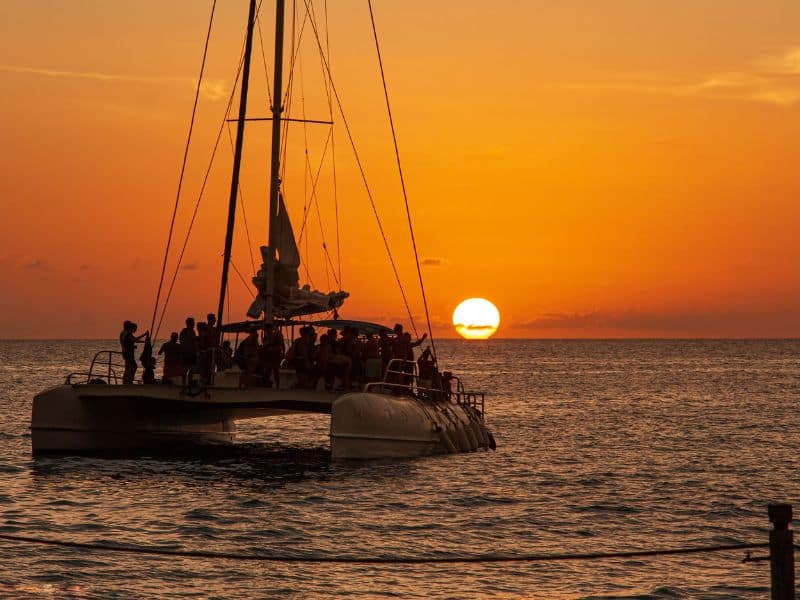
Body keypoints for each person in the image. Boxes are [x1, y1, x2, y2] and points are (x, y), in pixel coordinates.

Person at [179, 317, 199, 387]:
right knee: (192, 369)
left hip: (184, 353)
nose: (194, 324)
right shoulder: (191, 331)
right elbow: (194, 342)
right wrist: (197, 352)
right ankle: (189, 383)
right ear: (190, 323)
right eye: (193, 323)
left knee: (185, 370)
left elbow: (181, 342)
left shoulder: (182, 332)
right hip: (191, 353)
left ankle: (184, 385)